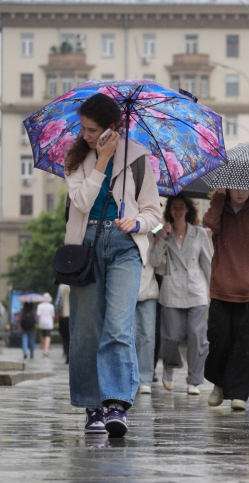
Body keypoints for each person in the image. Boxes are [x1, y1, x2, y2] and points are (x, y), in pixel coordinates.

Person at [62, 93, 162, 437]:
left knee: (118, 327)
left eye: (93, 130)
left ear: (111, 128)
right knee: (87, 330)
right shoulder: (74, 158)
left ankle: (116, 403)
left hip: (124, 248)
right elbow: (80, 202)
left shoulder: (136, 157)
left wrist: (136, 223)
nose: (86, 135)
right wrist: (101, 161)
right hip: (86, 247)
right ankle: (93, 407)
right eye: (84, 128)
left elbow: (153, 211)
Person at [202, 188, 249, 411]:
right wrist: (219, 198)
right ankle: (220, 384)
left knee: (243, 344)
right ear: (227, 188)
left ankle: (239, 394)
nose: (241, 192)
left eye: (245, 187)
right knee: (219, 338)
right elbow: (209, 222)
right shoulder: (219, 213)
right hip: (221, 289)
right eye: (235, 187)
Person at [153, 193, 212, 396]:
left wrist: (212, 291)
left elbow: (208, 263)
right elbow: (153, 261)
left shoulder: (199, 233)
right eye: (174, 207)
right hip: (171, 289)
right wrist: (164, 239)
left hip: (196, 291)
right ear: (170, 211)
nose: (178, 211)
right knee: (170, 337)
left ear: (188, 210)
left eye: (181, 207)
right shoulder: (162, 232)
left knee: (198, 336)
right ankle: (169, 366)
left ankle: (194, 380)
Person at [134, 232, 159, 395]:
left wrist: (161, 241)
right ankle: (131, 377)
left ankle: (145, 379)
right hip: (128, 291)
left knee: (148, 337)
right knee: (130, 336)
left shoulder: (153, 236)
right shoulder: (125, 232)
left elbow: (157, 263)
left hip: (149, 292)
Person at [37, 293, 55, 357]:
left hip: (42, 322)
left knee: (44, 336)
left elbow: (38, 315)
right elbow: (53, 316)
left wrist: (38, 322)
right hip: (49, 323)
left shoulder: (40, 306)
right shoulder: (51, 306)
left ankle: (45, 349)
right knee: (48, 336)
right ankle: (46, 349)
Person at [56, 284, 71, 364]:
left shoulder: (61, 287)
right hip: (73, 316)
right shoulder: (73, 285)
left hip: (64, 317)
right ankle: (72, 355)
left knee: (65, 338)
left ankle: (67, 354)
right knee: (72, 337)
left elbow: (58, 304)